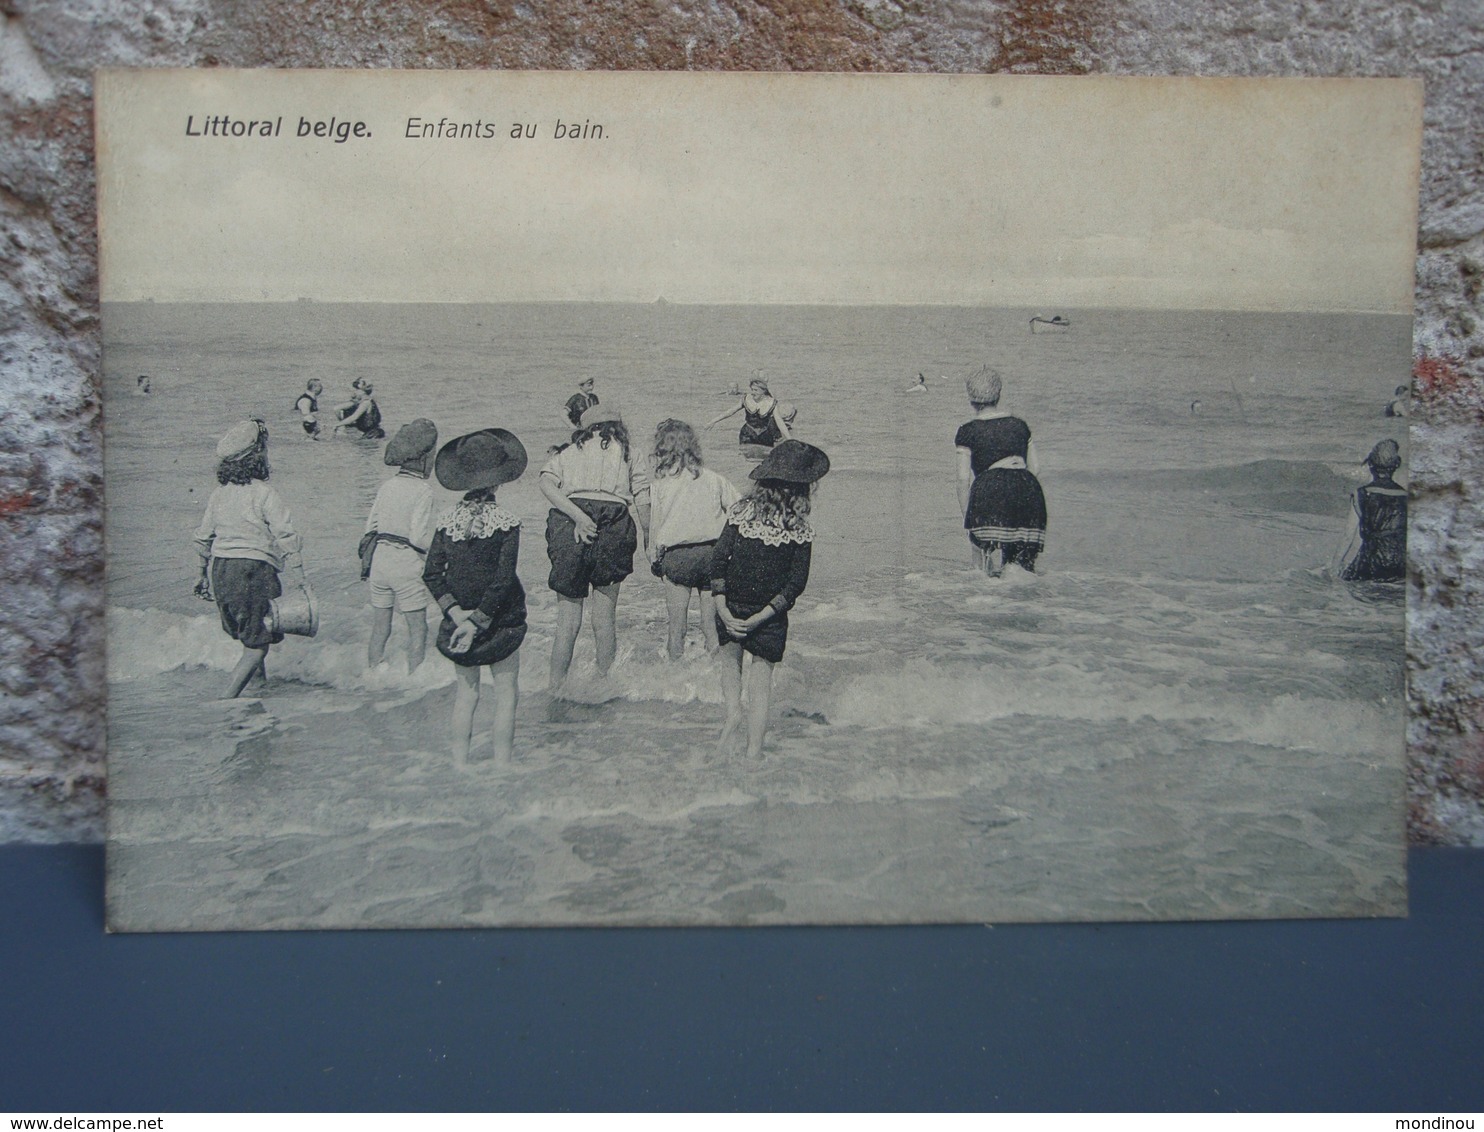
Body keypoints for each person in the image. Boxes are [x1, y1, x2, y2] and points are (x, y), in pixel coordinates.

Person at [711, 439, 829, 759]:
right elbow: (795, 586)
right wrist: (761, 617)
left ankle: (733, 711)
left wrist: (721, 609)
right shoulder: (800, 529)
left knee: (729, 665)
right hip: (769, 616)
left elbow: (718, 561)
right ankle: (753, 753)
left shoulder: (741, 512)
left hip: (730, 605)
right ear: (803, 490)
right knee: (761, 683)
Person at [422, 427, 529, 763]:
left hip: (459, 621)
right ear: (498, 482)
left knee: (466, 696)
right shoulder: (507, 523)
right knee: (507, 696)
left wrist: (458, 617)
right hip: (500, 620)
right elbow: (502, 580)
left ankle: (459, 766)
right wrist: (479, 622)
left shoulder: (446, 522)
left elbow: (431, 574)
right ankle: (501, 768)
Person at [192, 419, 307, 699]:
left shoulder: (218, 494)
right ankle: (227, 699)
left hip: (221, 569)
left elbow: (204, 537)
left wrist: (200, 574)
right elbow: (285, 534)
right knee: (257, 645)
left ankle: (259, 691)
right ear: (258, 456)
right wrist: (301, 574)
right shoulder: (264, 493)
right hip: (252, 570)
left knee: (251, 636)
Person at [538, 404, 650, 691]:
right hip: (614, 520)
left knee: (567, 619)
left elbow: (546, 484)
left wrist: (578, 517)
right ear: (617, 426)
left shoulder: (569, 452)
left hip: (570, 518)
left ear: (587, 429)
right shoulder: (630, 453)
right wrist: (650, 539)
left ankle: (555, 687)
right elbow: (643, 499)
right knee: (604, 617)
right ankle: (604, 684)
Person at [648, 419, 740, 659]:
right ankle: (715, 681)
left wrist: (655, 560)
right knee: (711, 627)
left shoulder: (660, 485)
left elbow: (655, 530)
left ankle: (673, 683)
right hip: (712, 554)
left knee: (676, 628)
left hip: (677, 557)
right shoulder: (714, 478)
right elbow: (740, 511)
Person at [954, 365, 1048, 575]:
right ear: (999, 394)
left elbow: (962, 481)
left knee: (982, 566)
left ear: (971, 398)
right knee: (1021, 571)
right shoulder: (1020, 425)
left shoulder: (967, 431)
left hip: (991, 488)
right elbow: (1036, 468)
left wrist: (968, 520)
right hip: (1028, 490)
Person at [364, 419, 439, 671]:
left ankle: (372, 675)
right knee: (418, 629)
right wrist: (440, 550)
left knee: (380, 627)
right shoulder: (423, 490)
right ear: (424, 458)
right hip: (405, 564)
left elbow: (370, 528)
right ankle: (414, 680)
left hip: (379, 563)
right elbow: (417, 537)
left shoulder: (387, 486)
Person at [1340, 439, 1407, 582]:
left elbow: (1348, 536)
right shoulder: (1406, 496)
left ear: (1370, 465)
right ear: (1396, 466)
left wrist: (1335, 567)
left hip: (1372, 562)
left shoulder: (1361, 494)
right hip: (1401, 563)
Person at [705, 377, 792, 449]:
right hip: (747, 434)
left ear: (763, 391)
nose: (753, 393)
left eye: (756, 390)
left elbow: (779, 422)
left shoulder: (771, 402)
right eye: (752, 390)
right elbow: (730, 411)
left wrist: (790, 439)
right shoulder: (746, 399)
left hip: (765, 436)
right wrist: (713, 421)